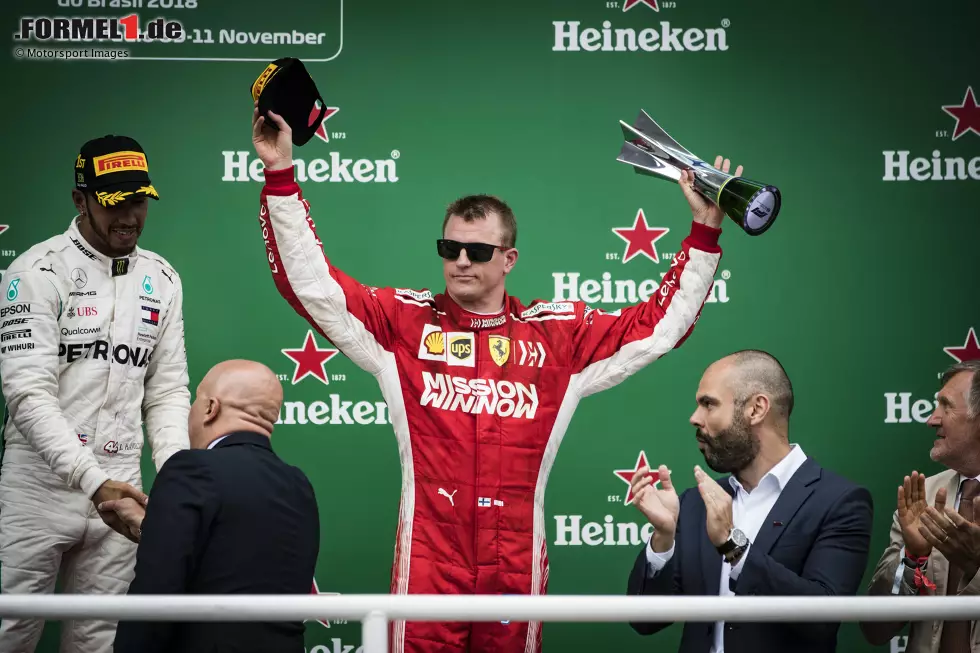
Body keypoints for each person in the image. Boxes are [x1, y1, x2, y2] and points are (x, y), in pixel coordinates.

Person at [252, 103, 736, 653]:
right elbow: (313, 287)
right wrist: (281, 175)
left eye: (478, 251)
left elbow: (657, 328)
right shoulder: (403, 323)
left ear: (509, 259)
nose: (460, 260)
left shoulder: (559, 336)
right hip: (429, 567)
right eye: (449, 249)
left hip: (515, 566)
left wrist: (705, 228)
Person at [0, 135, 190, 653]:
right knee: (10, 633)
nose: (129, 215)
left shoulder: (162, 278)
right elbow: (27, 395)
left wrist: (174, 482)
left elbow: (168, 391)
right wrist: (91, 480)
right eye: (113, 203)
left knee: (99, 643)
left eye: (138, 200)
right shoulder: (37, 272)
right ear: (79, 200)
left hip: (124, 486)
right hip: (38, 487)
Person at [626, 350, 874, 653]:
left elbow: (822, 619)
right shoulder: (696, 502)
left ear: (756, 409)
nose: (695, 418)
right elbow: (644, 622)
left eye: (708, 404)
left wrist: (734, 547)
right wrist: (663, 539)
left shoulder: (839, 502)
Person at [104, 359, 320, 653]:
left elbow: (156, 593)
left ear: (210, 408)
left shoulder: (190, 468)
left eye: (196, 400)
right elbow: (237, 558)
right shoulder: (298, 484)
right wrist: (152, 525)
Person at [860, 359, 980, 652]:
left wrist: (976, 566)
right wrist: (912, 558)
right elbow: (875, 627)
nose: (932, 419)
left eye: (946, 406)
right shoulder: (924, 497)